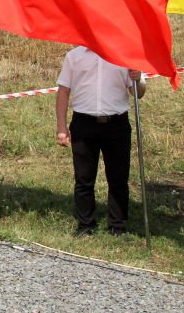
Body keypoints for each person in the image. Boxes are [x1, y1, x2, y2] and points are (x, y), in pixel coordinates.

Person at [55, 46, 146, 237]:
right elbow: (63, 91)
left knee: (118, 178)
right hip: (84, 123)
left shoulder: (126, 55)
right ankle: (86, 225)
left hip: (116, 124)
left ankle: (117, 226)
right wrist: (61, 126)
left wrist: (138, 80)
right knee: (84, 178)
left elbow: (138, 93)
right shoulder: (74, 56)